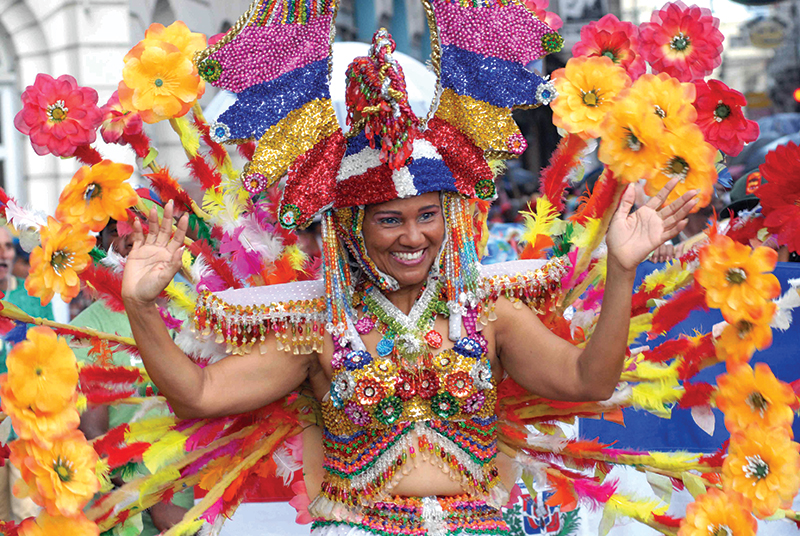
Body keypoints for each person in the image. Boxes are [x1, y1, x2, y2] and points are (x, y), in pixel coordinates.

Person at [120, 26, 697, 530]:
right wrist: (140, 308)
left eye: (427, 216)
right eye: (390, 220)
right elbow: (198, 396)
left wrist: (622, 271)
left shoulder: (491, 316)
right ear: (350, 228)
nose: (413, 237)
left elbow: (587, 382)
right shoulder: (319, 330)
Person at [74, 218, 194, 535]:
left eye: (141, 229)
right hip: (125, 519)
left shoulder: (191, 315)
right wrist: (157, 504)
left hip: (197, 506)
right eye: (117, 231)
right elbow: (92, 439)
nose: (130, 239)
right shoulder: (85, 332)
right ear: (100, 246)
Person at [0, 226, 54, 523]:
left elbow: (52, 356)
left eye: (7, 246)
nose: (3, 253)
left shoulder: (32, 297)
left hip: (26, 418)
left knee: (25, 514)